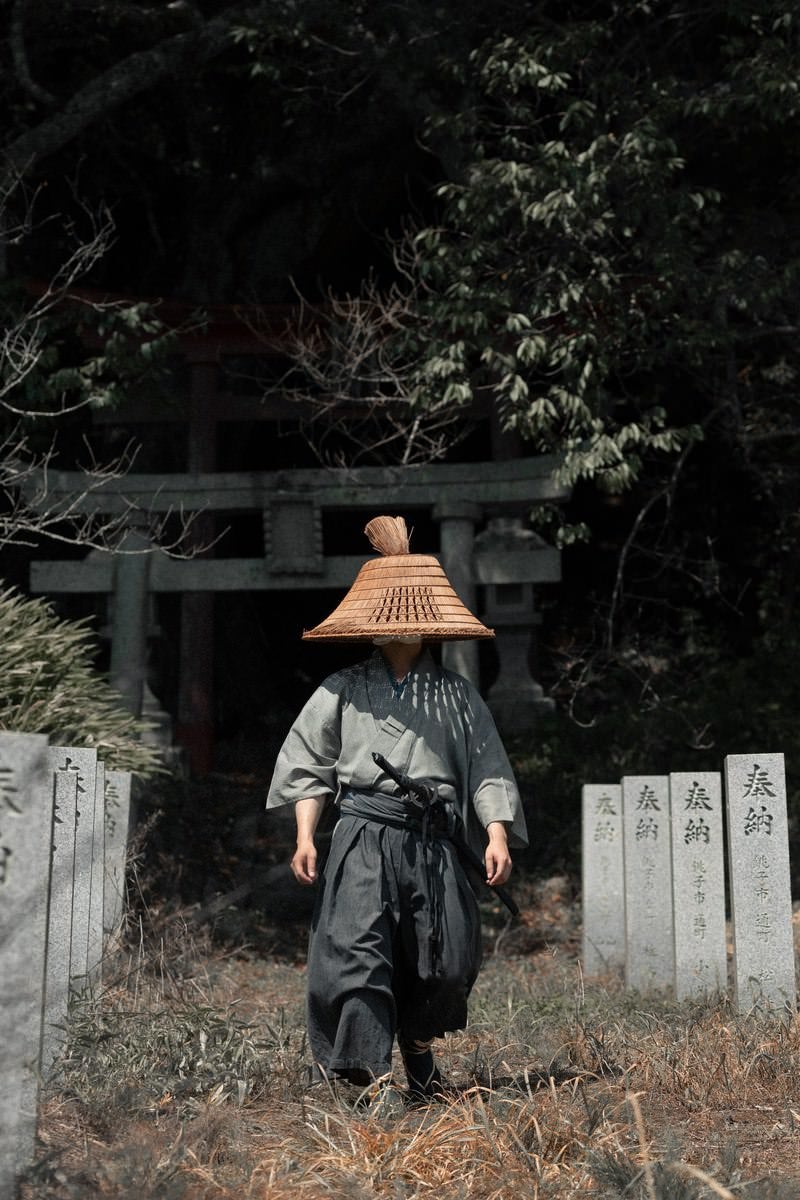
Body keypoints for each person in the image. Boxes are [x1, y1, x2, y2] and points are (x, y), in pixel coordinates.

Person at [266, 514, 527, 1103]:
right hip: (362, 833)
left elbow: (487, 768)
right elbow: (309, 765)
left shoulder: (458, 695)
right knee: (358, 951)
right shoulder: (342, 688)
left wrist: (497, 834)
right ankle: (364, 1074)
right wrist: (307, 835)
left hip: (434, 838)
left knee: (444, 959)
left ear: (428, 626)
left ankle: (417, 1047)